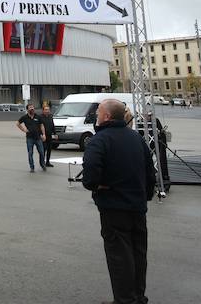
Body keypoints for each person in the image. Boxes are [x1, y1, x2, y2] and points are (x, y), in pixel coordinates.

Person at [83, 98, 156, 304]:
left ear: (106, 116)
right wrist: (145, 195)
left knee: (119, 256)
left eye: (98, 112)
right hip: (137, 206)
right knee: (138, 253)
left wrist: (95, 186)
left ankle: (125, 300)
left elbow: (90, 173)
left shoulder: (100, 139)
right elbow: (149, 171)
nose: (96, 115)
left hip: (114, 207)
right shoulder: (136, 138)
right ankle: (138, 296)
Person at [16, 103, 47, 171]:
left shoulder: (38, 117)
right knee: (30, 153)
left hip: (38, 138)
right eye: (30, 107)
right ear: (27, 109)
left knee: (41, 152)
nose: (32, 109)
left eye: (33, 107)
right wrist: (24, 130)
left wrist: (44, 134)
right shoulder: (24, 117)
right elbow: (17, 123)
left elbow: (42, 126)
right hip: (30, 138)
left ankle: (42, 164)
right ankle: (32, 167)